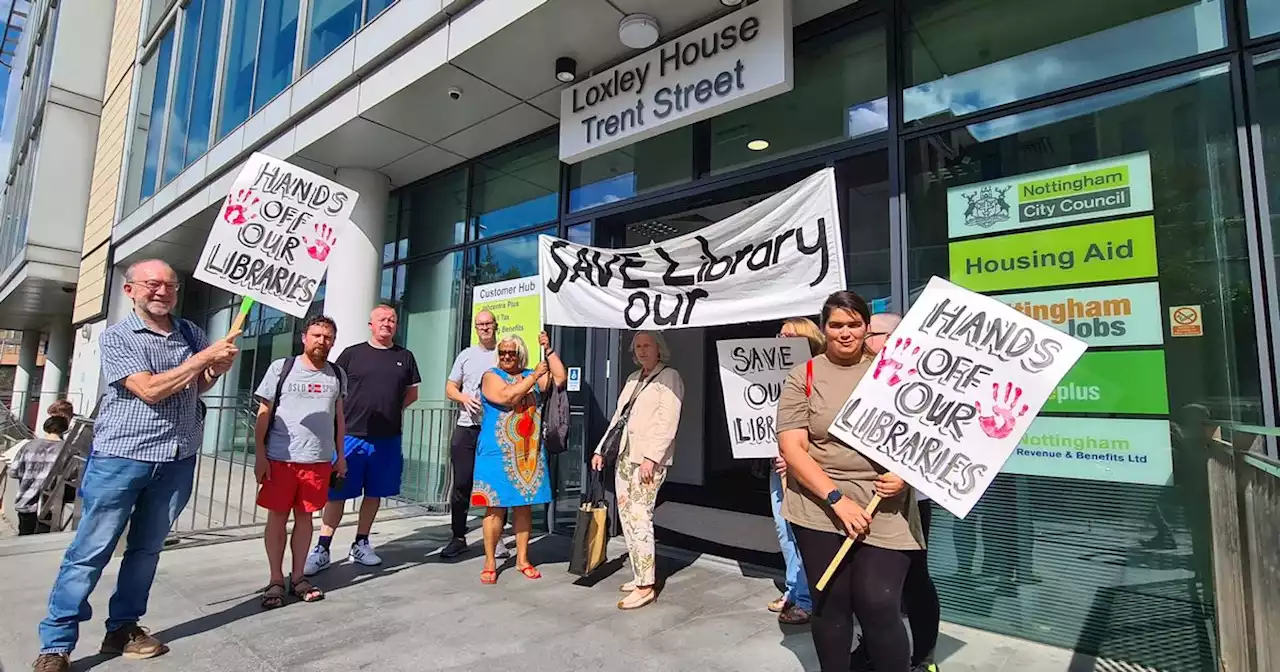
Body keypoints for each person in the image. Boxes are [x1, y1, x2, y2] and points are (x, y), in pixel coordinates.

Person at [32, 259, 239, 672]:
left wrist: (215, 369)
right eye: (152, 284)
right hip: (122, 458)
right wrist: (203, 360)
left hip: (177, 459)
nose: (162, 291)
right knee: (90, 550)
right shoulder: (118, 337)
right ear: (130, 291)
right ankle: (56, 642)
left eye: (170, 285)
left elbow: (197, 384)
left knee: (146, 550)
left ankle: (124, 628)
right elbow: (149, 389)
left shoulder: (189, 332)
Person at [776, 291, 923, 672]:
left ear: (866, 327)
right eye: (836, 325)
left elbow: (922, 434)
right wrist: (836, 498)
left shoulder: (893, 372)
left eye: (853, 324)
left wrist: (905, 475)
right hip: (819, 505)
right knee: (830, 600)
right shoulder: (803, 376)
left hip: (883, 506)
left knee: (878, 601)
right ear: (824, 329)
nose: (845, 333)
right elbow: (793, 448)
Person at [854, 311, 940, 672]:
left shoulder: (923, 381)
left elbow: (937, 443)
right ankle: (873, 646)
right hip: (862, 497)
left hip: (911, 502)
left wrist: (905, 478)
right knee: (865, 582)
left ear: (893, 338)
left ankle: (923, 659)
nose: (861, 339)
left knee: (913, 578)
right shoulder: (861, 375)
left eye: (870, 333)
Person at [307, 304, 420, 574]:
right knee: (337, 494)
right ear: (371, 324)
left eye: (392, 319)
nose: (387, 323)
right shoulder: (351, 354)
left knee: (375, 492)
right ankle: (322, 547)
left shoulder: (405, 356)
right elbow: (335, 390)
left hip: (387, 439)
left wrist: (391, 411)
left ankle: (361, 543)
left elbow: (411, 394)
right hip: (349, 437)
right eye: (382, 319)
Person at [253, 315, 347, 609]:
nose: (322, 341)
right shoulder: (282, 368)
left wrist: (340, 456)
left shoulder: (337, 374)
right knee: (278, 518)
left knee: (306, 519)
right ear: (304, 337)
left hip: (318, 461)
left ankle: (298, 578)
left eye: (328, 337)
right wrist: (259, 454)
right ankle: (274, 580)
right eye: (317, 335)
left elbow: (339, 417)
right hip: (281, 458)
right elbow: (264, 412)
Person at [591, 331, 685, 611]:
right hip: (624, 455)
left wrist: (652, 458)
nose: (642, 351)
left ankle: (646, 586)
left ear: (660, 349)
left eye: (648, 346)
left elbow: (668, 422)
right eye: (638, 346)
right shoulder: (634, 378)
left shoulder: (670, 377)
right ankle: (639, 574)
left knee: (641, 517)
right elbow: (619, 418)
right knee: (627, 517)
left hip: (647, 461)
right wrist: (600, 449)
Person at [474, 332, 566, 584]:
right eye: (502, 352)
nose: (505, 356)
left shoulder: (530, 374)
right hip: (496, 452)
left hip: (527, 452)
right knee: (494, 507)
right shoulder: (491, 376)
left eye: (511, 353)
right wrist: (535, 376)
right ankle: (490, 561)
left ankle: (523, 559)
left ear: (520, 354)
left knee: (524, 506)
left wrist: (548, 350)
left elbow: (560, 377)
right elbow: (507, 397)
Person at [768, 317, 825, 625]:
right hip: (777, 465)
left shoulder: (818, 375)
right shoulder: (772, 376)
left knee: (802, 531)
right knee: (784, 531)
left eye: (790, 336)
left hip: (804, 467)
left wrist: (794, 456)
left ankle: (806, 599)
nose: (782, 339)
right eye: (780, 334)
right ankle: (794, 590)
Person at [441, 309, 508, 560]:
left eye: (489, 323)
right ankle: (458, 536)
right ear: (476, 328)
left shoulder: (505, 353)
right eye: (480, 324)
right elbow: (450, 387)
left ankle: (497, 537)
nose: (485, 328)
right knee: (462, 483)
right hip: (467, 427)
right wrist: (463, 397)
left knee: (496, 485)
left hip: (495, 429)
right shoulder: (466, 355)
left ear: (496, 325)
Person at [9, 414, 70, 535]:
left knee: (24, 537)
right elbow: (71, 476)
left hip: (26, 500)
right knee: (41, 540)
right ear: (65, 429)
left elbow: (14, 472)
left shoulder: (29, 446)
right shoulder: (67, 450)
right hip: (51, 504)